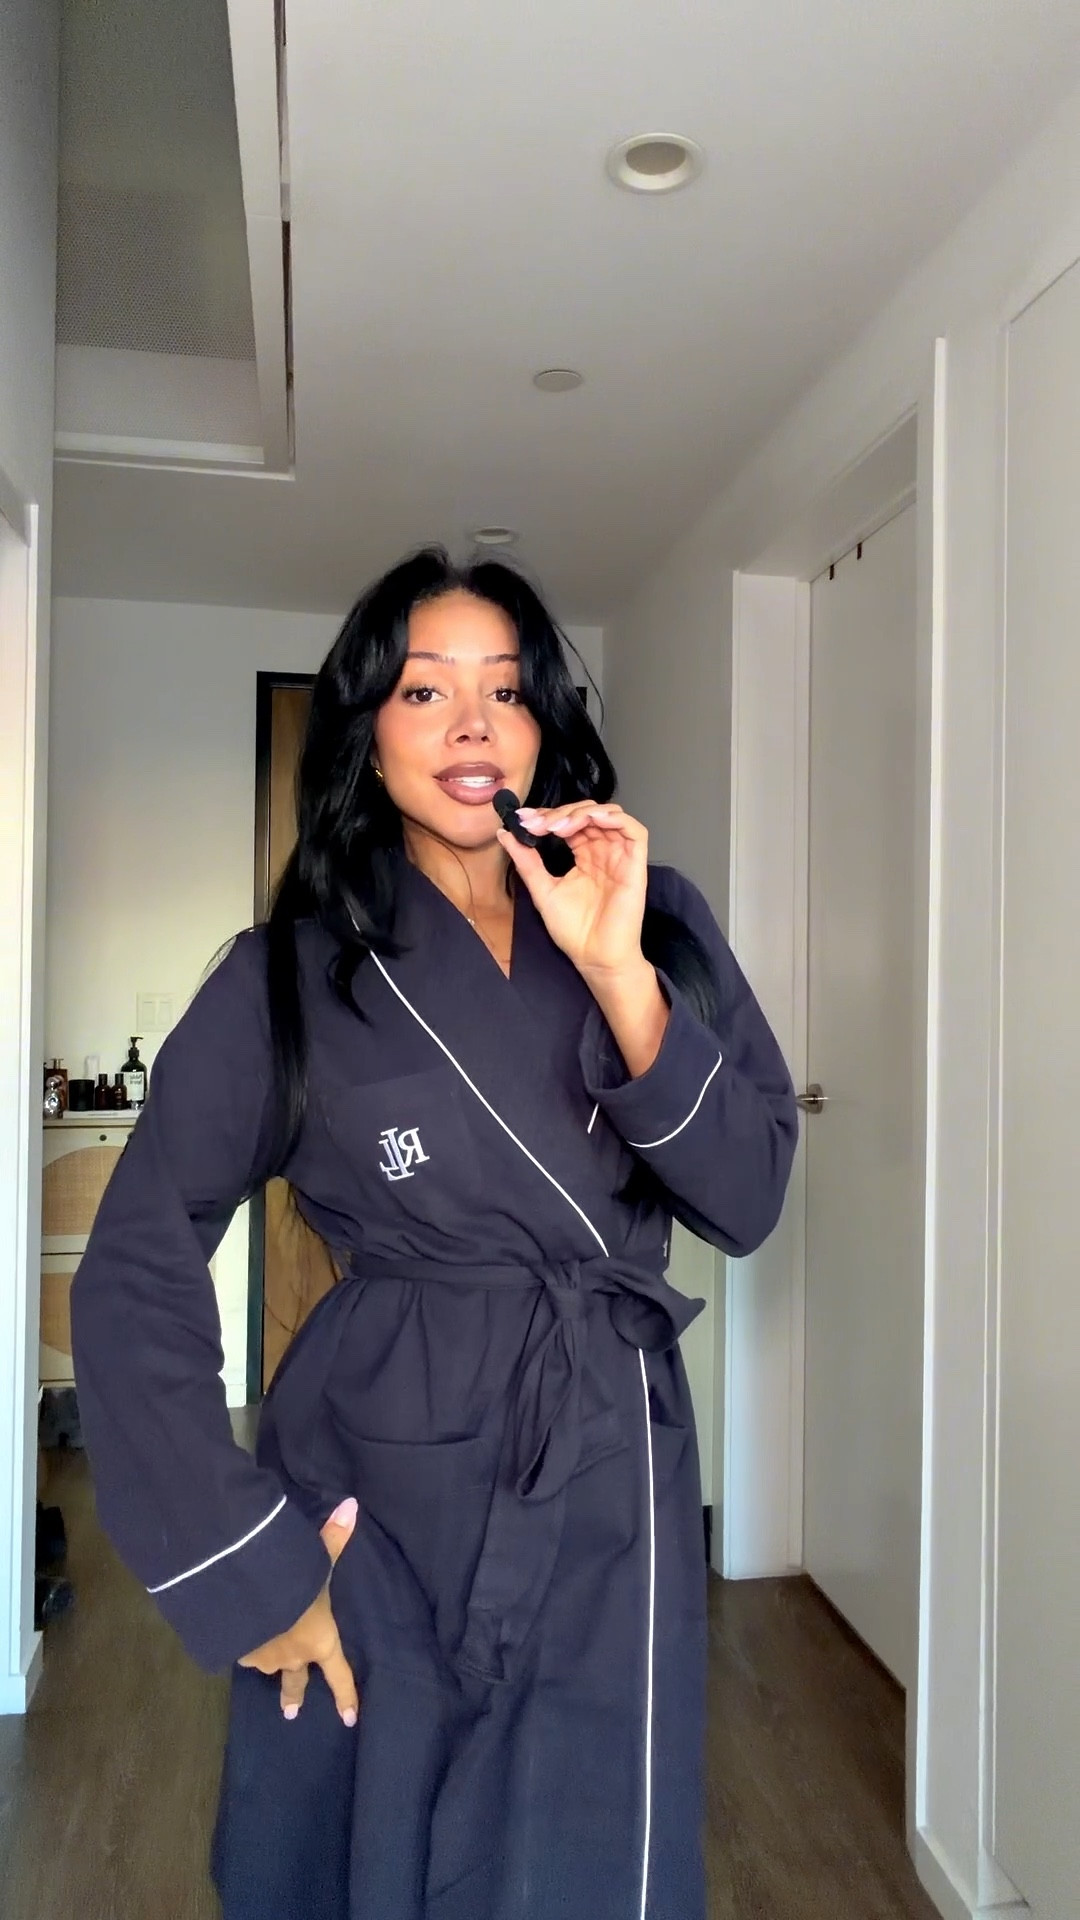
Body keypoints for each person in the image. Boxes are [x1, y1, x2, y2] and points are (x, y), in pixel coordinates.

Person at [70, 548, 797, 1920]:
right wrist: (247, 1562)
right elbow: (135, 1269)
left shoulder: (656, 920)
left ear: (543, 726)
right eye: (423, 690)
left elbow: (748, 1197)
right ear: (367, 731)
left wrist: (618, 976)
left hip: (606, 1464)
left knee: (587, 1851)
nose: (473, 724)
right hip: (375, 1500)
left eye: (506, 690)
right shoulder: (288, 976)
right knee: (373, 1844)